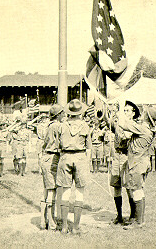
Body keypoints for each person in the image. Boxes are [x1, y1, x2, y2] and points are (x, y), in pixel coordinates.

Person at [117, 101, 154, 229]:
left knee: (137, 191)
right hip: (141, 163)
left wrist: (120, 107)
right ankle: (139, 220)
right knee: (138, 190)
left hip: (137, 164)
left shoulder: (143, 128)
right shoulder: (146, 129)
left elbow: (122, 124)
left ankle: (139, 222)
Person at [57, 99, 91, 234]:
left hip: (65, 157)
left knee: (65, 191)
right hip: (80, 157)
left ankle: (64, 226)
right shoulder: (85, 126)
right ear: (80, 112)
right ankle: (76, 227)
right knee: (79, 192)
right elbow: (89, 147)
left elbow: (59, 144)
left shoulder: (62, 126)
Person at [39, 104, 64, 231]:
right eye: (62, 113)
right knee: (51, 191)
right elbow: (61, 143)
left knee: (46, 190)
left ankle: (43, 221)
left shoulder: (48, 126)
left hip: (45, 157)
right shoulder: (57, 126)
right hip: (53, 158)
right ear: (58, 114)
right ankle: (51, 222)